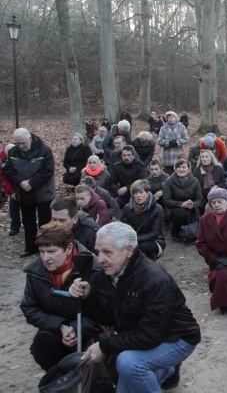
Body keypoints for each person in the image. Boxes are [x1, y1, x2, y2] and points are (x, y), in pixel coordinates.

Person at [68, 222, 201, 392]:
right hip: (143, 335)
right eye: (98, 251)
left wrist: (104, 346)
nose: (99, 259)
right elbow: (108, 318)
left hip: (177, 338)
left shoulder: (155, 280)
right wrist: (87, 298)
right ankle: (163, 369)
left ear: (128, 250)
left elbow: (150, 335)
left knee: (129, 362)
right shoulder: (107, 274)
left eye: (107, 252)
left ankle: (165, 366)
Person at [20, 222, 99, 371]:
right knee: (42, 346)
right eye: (41, 251)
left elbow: (107, 309)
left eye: (51, 251)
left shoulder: (93, 269)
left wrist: (76, 328)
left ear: (69, 248)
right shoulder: (35, 272)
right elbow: (29, 308)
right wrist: (60, 326)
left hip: (89, 330)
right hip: (55, 329)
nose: (45, 258)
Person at [5, 128, 56, 257]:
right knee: (28, 221)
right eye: (18, 143)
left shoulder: (44, 150)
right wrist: (21, 182)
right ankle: (30, 247)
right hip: (24, 191)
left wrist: (31, 183)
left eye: (23, 143)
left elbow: (48, 171)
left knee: (45, 221)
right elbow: (9, 170)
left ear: (30, 138)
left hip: (43, 191)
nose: (21, 146)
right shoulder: (12, 152)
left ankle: (46, 247)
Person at [121, 179, 165, 260]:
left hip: (154, 241)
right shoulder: (127, 208)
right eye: (135, 193)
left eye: (141, 192)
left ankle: (151, 267)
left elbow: (155, 233)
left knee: (144, 246)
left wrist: (135, 239)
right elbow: (124, 228)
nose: (138, 195)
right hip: (132, 239)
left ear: (147, 193)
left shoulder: (157, 208)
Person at [162, 159, 203, 242]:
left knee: (196, 220)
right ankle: (175, 233)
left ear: (189, 169)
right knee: (181, 214)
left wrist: (193, 204)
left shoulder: (195, 181)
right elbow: (166, 200)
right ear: (175, 169)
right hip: (175, 208)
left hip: (191, 208)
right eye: (179, 167)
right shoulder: (169, 181)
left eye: (184, 167)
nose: (181, 169)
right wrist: (181, 204)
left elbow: (200, 199)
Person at [192, 150, 225, 214]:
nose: (204, 159)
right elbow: (196, 187)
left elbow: (225, 182)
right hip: (204, 196)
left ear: (211, 158)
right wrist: (209, 191)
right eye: (202, 157)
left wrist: (217, 187)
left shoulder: (219, 168)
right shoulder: (196, 171)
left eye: (207, 157)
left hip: (219, 194)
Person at [0, 143, 21, 236]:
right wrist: (11, 192)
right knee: (13, 205)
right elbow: (3, 177)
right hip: (9, 182)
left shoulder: (20, 153)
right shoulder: (1, 159)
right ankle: (15, 226)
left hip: (21, 181)